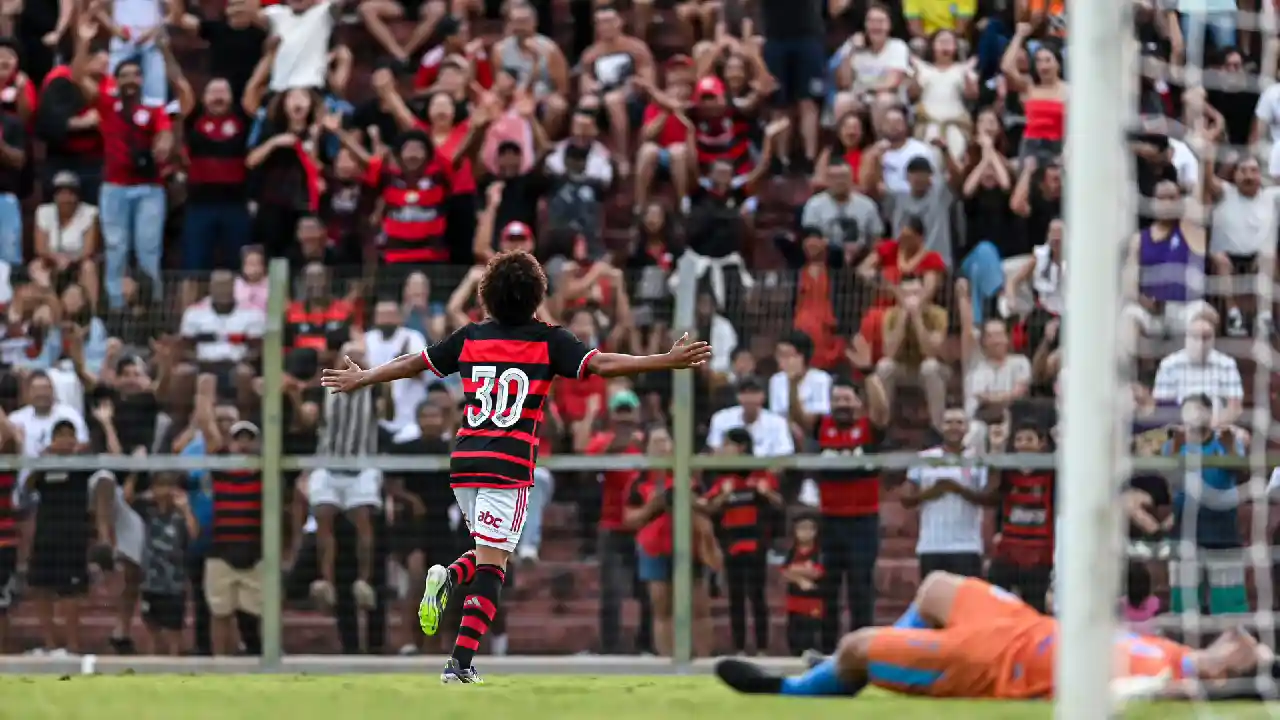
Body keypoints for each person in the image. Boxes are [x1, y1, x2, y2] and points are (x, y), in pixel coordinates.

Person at [321, 249, 713, 683]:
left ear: (487, 295)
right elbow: (601, 363)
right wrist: (664, 360)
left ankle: (457, 631)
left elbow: (416, 363)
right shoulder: (548, 339)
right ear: (535, 295)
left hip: (466, 460)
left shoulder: (470, 336)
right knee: (493, 566)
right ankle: (456, 638)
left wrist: (364, 377)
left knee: (492, 553)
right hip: (508, 464)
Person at [716, 571, 1274, 701]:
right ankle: (847, 662)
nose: (1242, 634)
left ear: (1230, 669)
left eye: (1247, 645)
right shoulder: (1180, 653)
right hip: (1022, 624)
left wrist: (1235, 682)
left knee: (861, 645)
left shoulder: (1172, 678)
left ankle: (797, 687)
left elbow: (1147, 694)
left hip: (988, 662)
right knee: (935, 586)